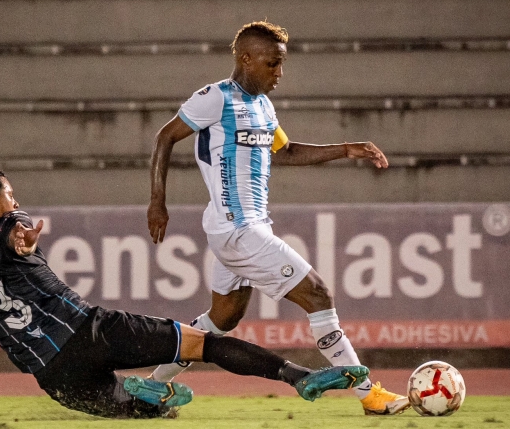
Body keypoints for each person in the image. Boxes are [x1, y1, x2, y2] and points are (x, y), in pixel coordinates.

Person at [0, 163, 370, 419]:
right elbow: (17, 232)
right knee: (202, 343)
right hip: (92, 332)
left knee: (161, 414)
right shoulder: (12, 223)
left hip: (55, 381)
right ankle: (299, 378)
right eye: (10, 195)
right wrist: (21, 238)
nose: (17, 202)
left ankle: (142, 394)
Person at [147, 21, 409, 416]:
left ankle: (152, 386)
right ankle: (369, 395)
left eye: (281, 65)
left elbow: (284, 153)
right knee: (318, 294)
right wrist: (157, 202)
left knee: (222, 319)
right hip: (238, 229)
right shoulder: (215, 99)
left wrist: (345, 149)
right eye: (272, 64)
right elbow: (165, 137)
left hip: (244, 229)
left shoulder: (264, 107)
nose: (278, 74)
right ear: (246, 58)